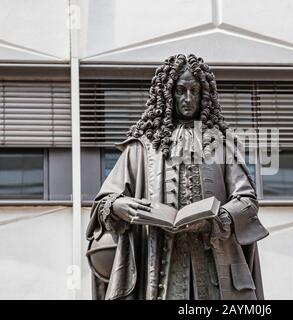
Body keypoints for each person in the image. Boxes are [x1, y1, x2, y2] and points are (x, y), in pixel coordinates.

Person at [86, 53, 269, 300]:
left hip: (212, 262)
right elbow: (104, 202)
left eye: (194, 91)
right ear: (168, 94)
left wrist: (218, 218)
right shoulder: (142, 147)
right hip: (158, 265)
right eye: (181, 91)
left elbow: (246, 200)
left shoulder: (221, 145)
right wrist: (120, 206)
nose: (188, 98)